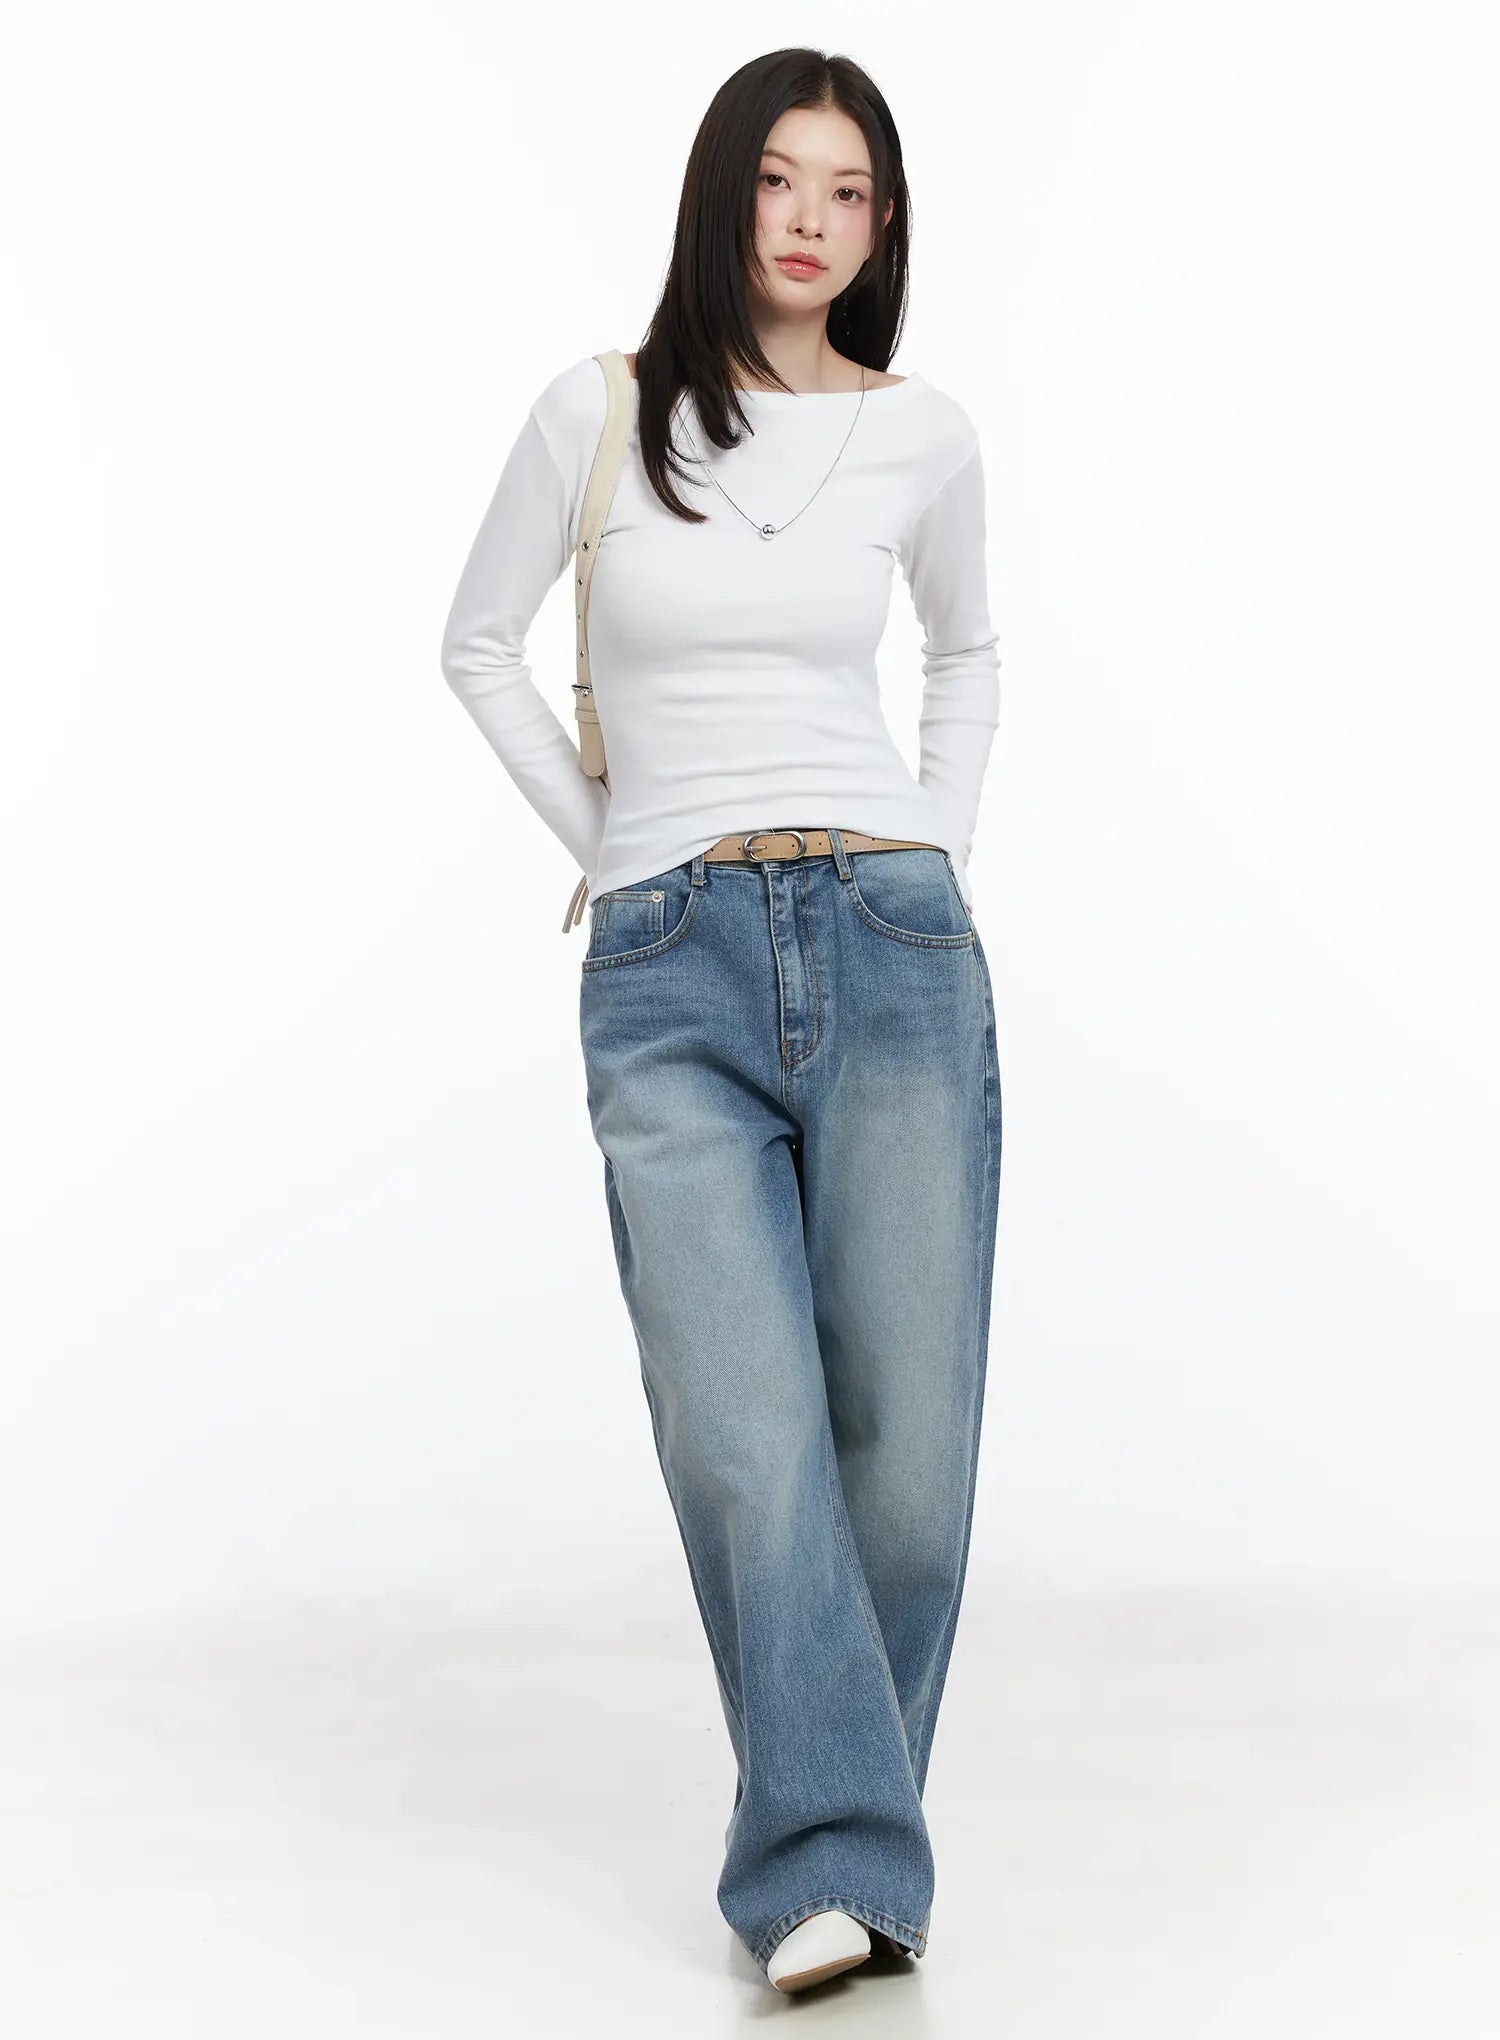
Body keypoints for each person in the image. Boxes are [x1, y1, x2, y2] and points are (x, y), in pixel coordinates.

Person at [439, 45, 1003, 1995]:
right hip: (669, 959)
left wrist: (938, 847)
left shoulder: (922, 436)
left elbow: (971, 650)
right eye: (781, 179)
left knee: (907, 1461)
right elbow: (476, 646)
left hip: (892, 938)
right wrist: (617, 846)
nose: (811, 221)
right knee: (749, 1437)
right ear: (722, 192)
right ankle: (831, 1865)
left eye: (851, 192)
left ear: (883, 224)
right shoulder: (597, 413)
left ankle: (845, 1843)